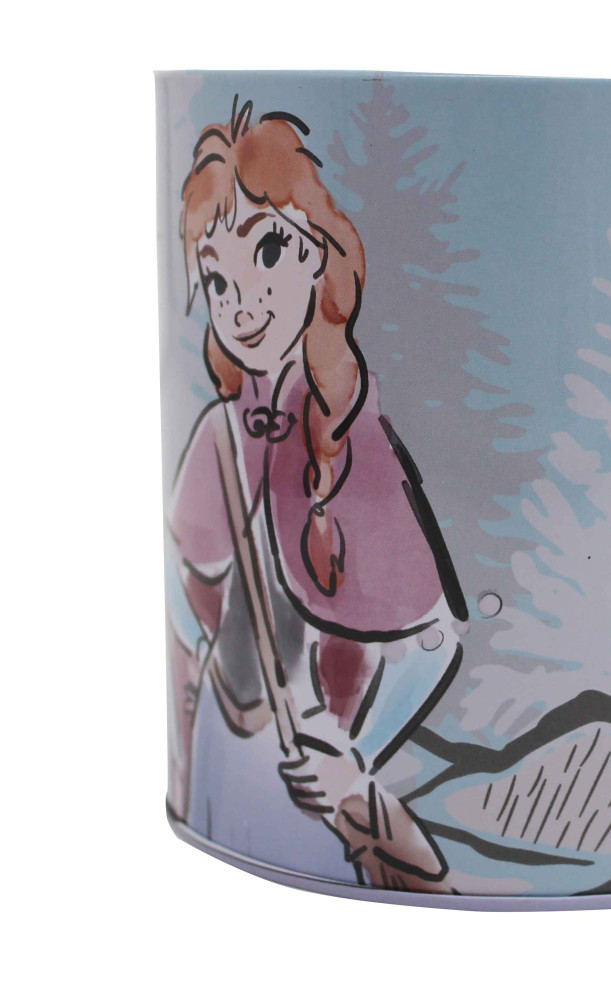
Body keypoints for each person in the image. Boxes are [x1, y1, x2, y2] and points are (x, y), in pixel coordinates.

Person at [167, 97, 467, 891]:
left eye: (269, 250)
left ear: (319, 257)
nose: (241, 301)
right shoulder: (222, 432)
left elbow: (433, 638)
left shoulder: (355, 437)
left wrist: (354, 762)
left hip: (314, 778)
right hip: (227, 761)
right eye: (216, 276)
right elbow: (186, 586)